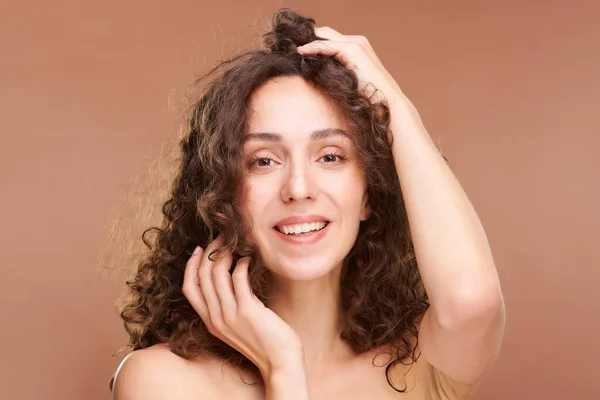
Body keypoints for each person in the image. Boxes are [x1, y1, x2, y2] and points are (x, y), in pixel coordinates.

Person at [111, 8, 505, 400]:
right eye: (263, 160)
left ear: (370, 192)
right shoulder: (162, 381)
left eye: (331, 156)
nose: (298, 188)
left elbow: (470, 301)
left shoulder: (418, 366)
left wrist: (395, 106)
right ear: (223, 196)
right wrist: (282, 367)